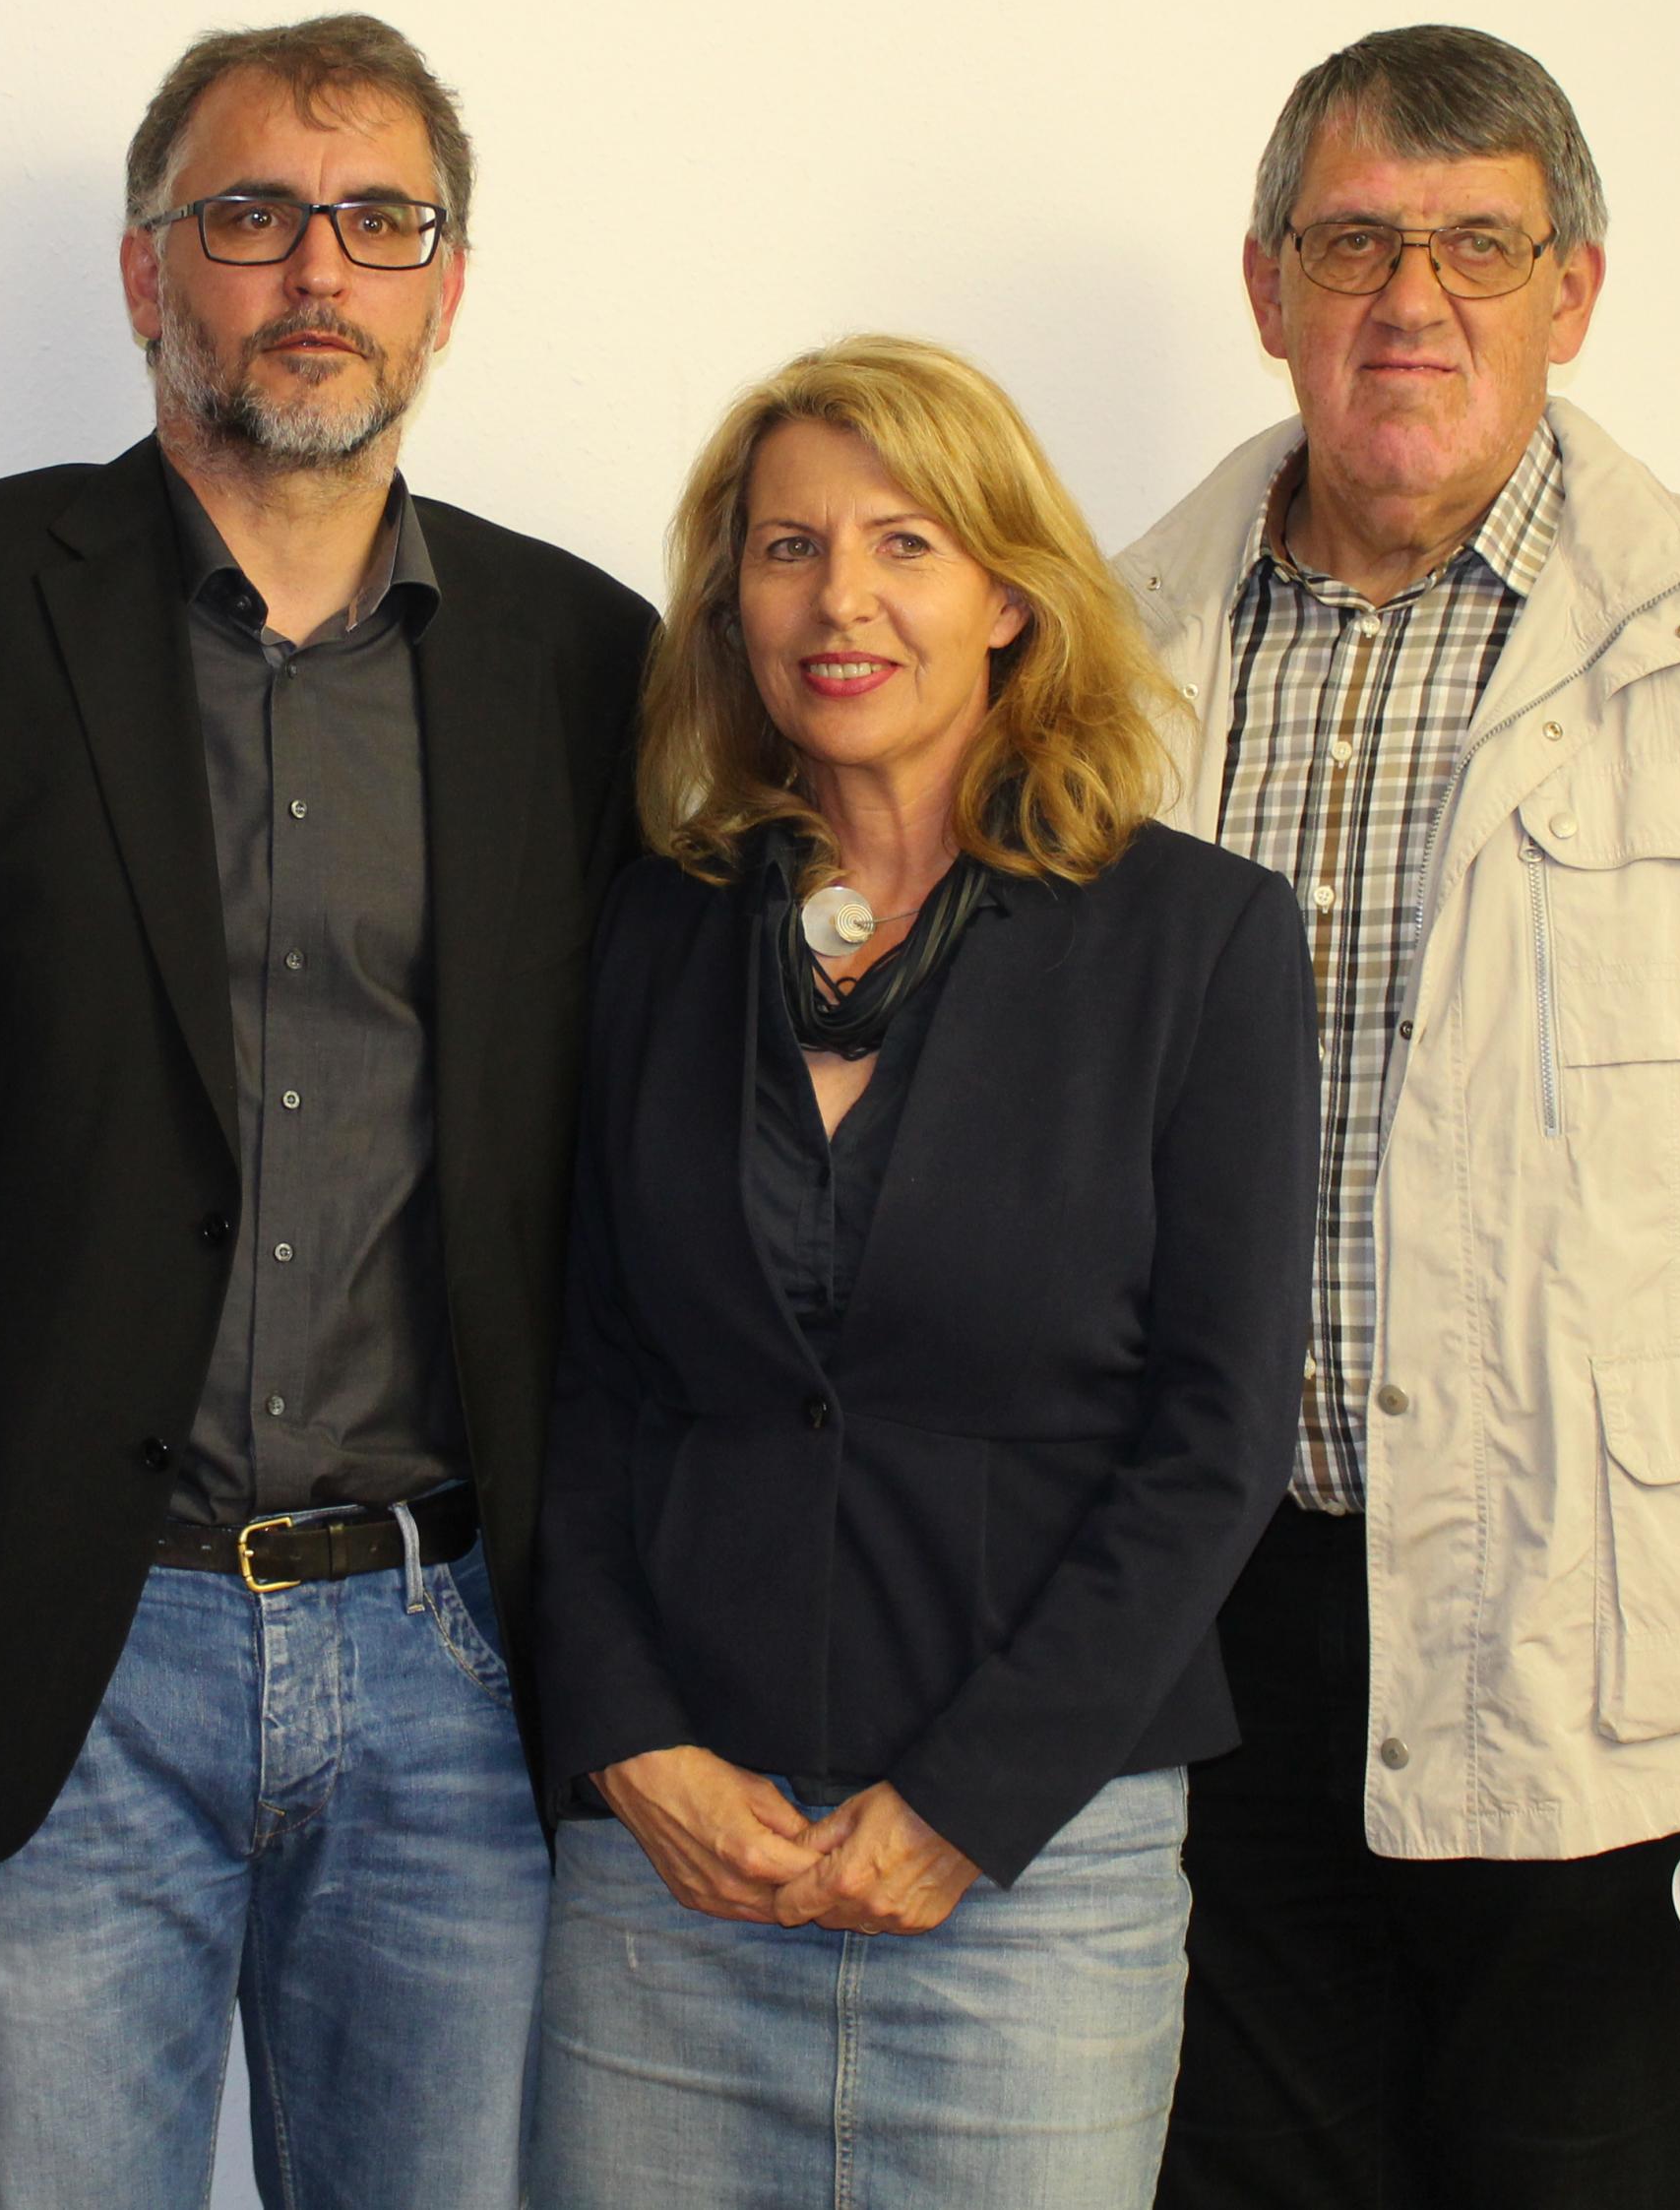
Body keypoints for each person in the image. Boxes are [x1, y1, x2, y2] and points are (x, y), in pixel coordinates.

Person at [0, 12, 655, 2210]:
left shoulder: (581, 658)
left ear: (449, 284)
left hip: (452, 1671)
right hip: (67, 1670)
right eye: (251, 214)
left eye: (379, 222)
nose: (316, 270)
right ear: (145, 267)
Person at [1129, 25, 1680, 2210]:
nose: (1408, 301)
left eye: (1477, 246)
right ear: (1265, 286)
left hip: (1598, 1637)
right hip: (1209, 1630)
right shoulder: (1119, 640)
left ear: (1572, 292)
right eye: (1353, 243)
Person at [529, 335, 1317, 2207]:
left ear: (1010, 597)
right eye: (787, 548)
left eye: (905, 543)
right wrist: (626, 1737)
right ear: (731, 604)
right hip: (671, 1875)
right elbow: (575, 1379)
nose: (841, 599)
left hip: (1033, 1881)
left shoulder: (1196, 941)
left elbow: (1214, 1437)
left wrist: (970, 1801)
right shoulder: (648, 932)